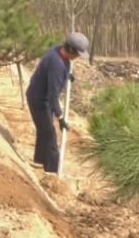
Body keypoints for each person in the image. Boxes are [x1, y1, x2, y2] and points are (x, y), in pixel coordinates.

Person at [25, 32, 90, 174]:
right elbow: (53, 96)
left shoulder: (58, 51)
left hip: (38, 95)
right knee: (50, 136)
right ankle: (53, 172)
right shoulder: (57, 65)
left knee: (44, 131)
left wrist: (67, 75)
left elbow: (61, 68)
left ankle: (39, 162)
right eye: (78, 54)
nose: (78, 57)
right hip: (39, 100)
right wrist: (60, 118)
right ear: (71, 49)